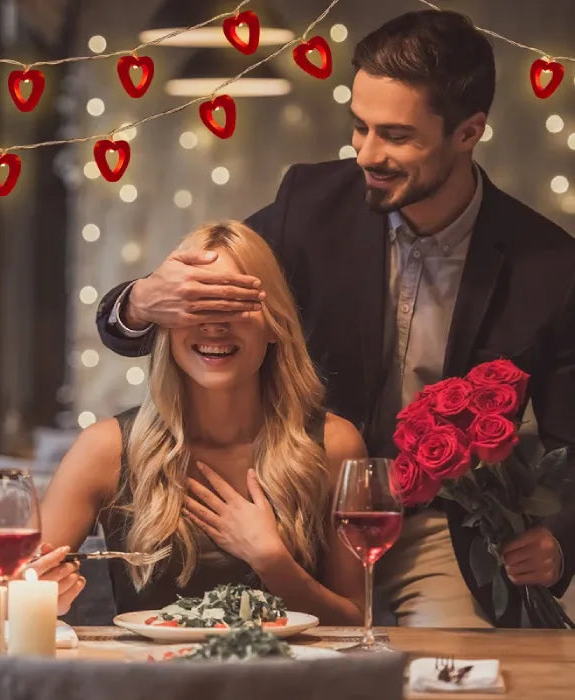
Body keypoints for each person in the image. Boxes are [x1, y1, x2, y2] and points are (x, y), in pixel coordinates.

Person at [94, 10, 575, 627]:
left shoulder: (550, 266)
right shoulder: (309, 205)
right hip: (303, 515)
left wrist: (560, 539)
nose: (366, 154)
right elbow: (202, 317)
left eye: (396, 136)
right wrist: (138, 303)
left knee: (444, 674)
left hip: (439, 536)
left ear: (468, 132)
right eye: (360, 127)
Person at [34, 221, 366, 623]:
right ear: (166, 324)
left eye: (233, 305)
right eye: (195, 306)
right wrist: (38, 595)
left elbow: (354, 624)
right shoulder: (105, 448)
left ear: (276, 325)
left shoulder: (335, 445)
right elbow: (23, 589)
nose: (213, 325)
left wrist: (273, 562)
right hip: (153, 682)